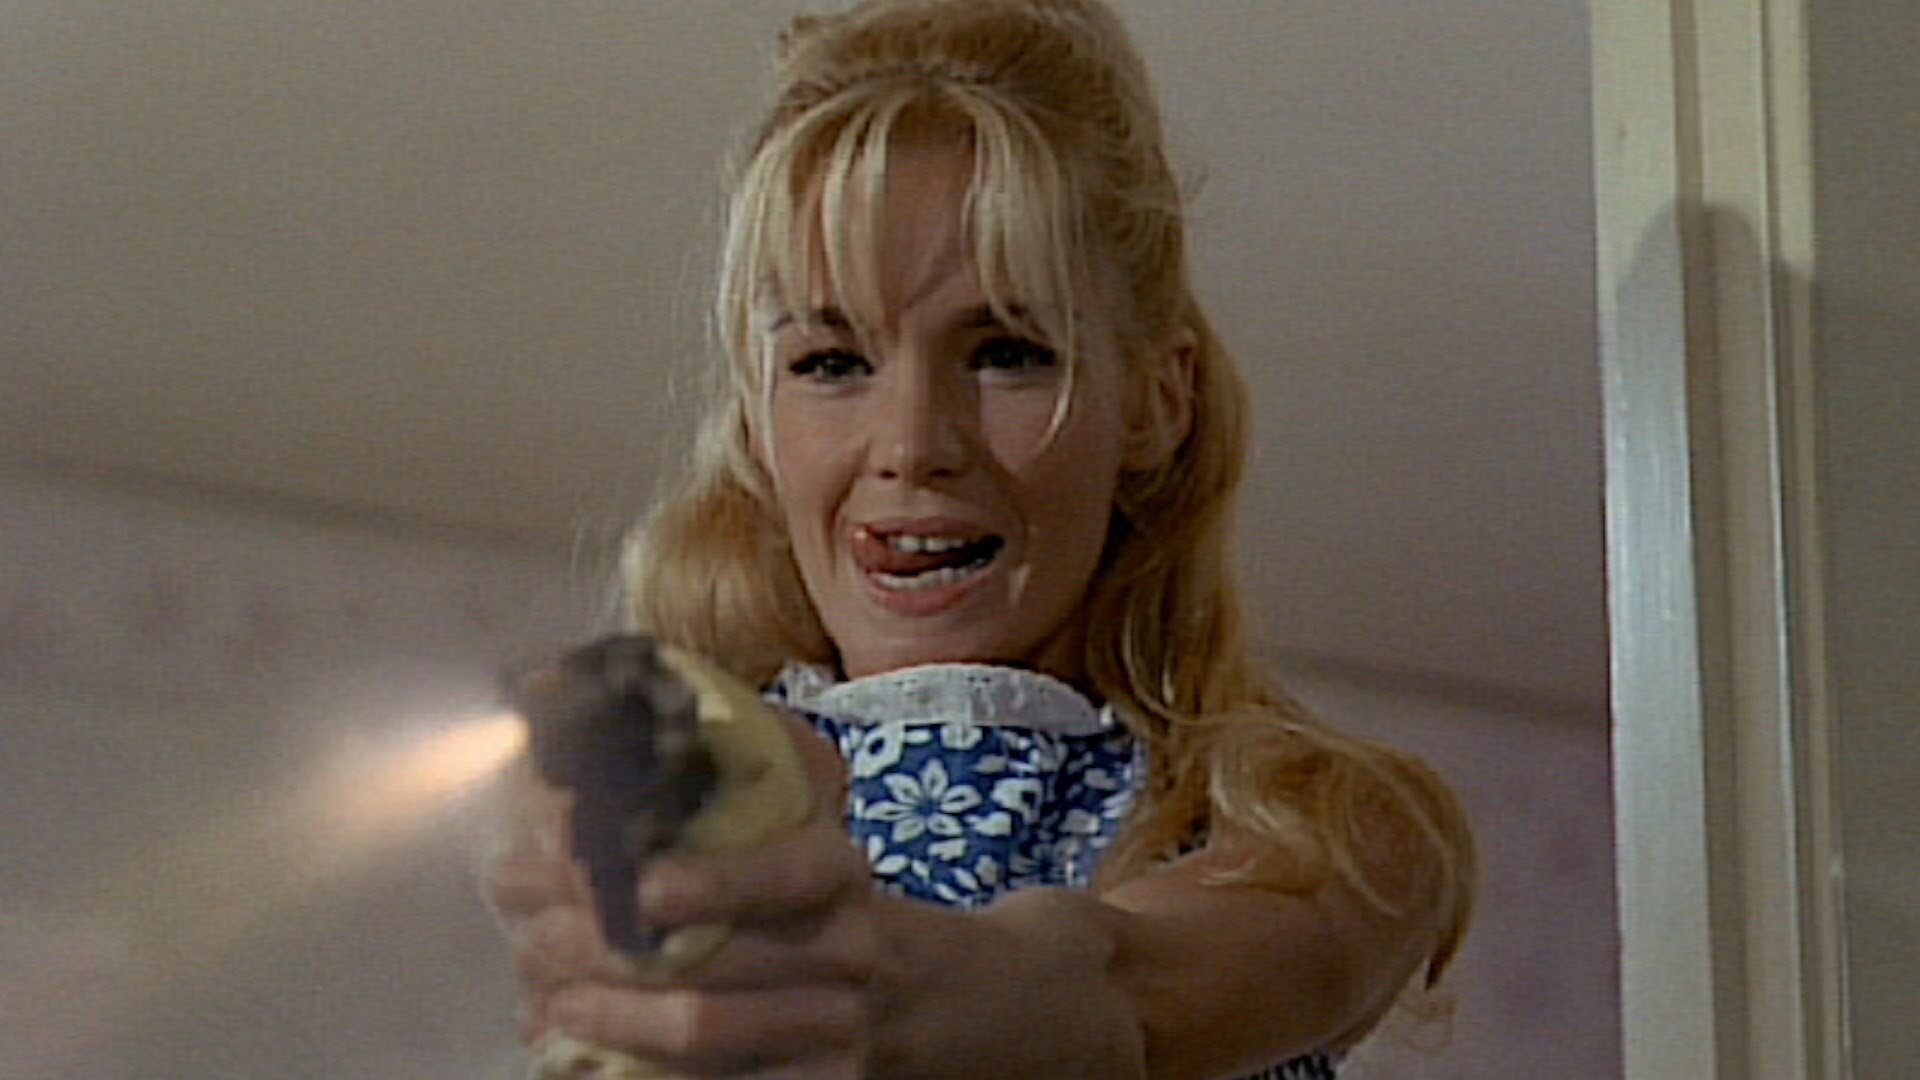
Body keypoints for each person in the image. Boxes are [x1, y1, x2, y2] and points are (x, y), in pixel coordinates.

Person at [489, 1, 1476, 1076]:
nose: (912, 446)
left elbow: (1110, 987)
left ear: (1158, 398)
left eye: (1008, 352)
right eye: (831, 363)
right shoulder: (685, 796)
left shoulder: (1329, 828)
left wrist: (862, 983)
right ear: (759, 426)